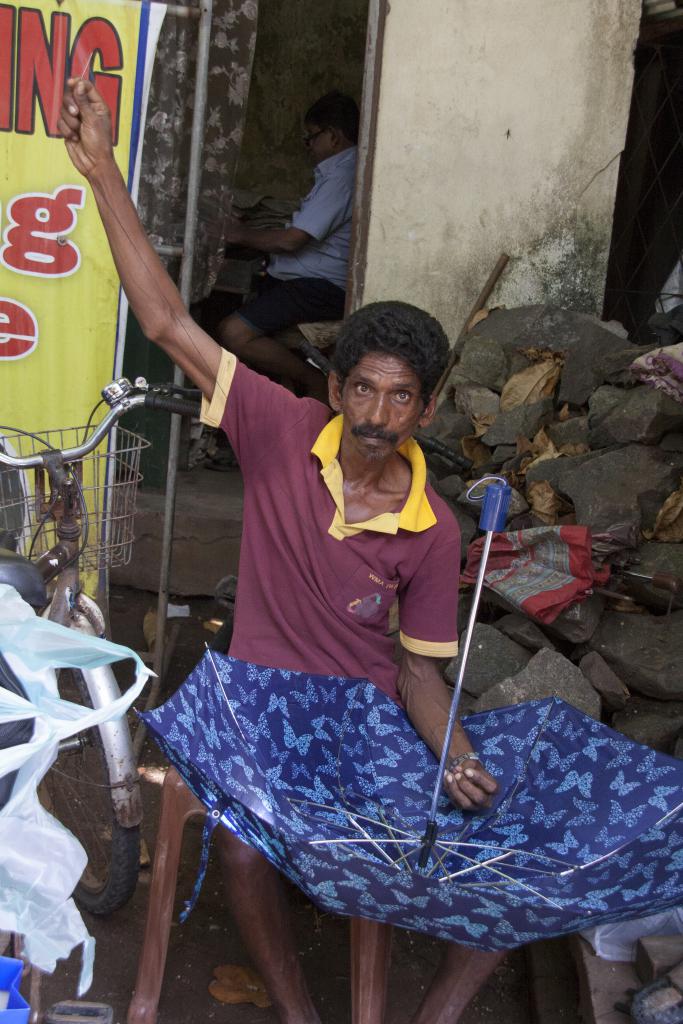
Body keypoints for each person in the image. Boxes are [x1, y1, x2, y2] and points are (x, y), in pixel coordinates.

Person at [58, 79, 505, 1024]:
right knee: (242, 847)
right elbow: (170, 324)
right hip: (258, 698)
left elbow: (420, 676)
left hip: (359, 712)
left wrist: (455, 754)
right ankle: (302, 1015)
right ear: (334, 385)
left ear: (425, 408)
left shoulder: (433, 528)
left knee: (504, 841)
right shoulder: (274, 423)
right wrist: (101, 172)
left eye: (401, 399)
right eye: (363, 390)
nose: (378, 416)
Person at [217, 90, 359, 401]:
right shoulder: (336, 173)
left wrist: (240, 234)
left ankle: (315, 381)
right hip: (301, 281)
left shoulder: (342, 177)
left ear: (333, 136)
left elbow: (293, 239)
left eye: (311, 138)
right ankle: (288, 398)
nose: (308, 147)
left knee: (233, 332)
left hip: (319, 287)